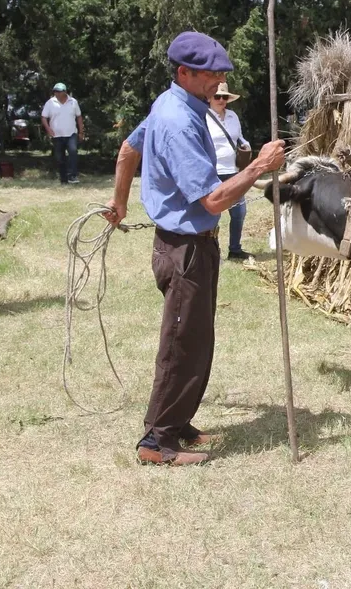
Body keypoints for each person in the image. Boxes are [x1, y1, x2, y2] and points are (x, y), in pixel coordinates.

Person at [103, 31, 285, 466]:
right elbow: (213, 200)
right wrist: (260, 166)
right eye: (211, 74)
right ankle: (157, 442)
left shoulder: (174, 105)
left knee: (197, 338)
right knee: (182, 342)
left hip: (192, 246)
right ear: (184, 72)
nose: (219, 82)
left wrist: (120, 200)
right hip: (184, 249)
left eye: (222, 73)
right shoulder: (179, 121)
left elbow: (128, 150)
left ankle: (179, 422)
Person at [206, 81, 253, 260]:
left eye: (224, 97)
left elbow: (239, 137)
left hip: (233, 170)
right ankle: (211, 251)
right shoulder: (203, 116)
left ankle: (235, 250)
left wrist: (245, 145)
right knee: (213, 214)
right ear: (210, 98)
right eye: (217, 96)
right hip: (212, 172)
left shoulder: (233, 116)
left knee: (239, 212)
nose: (221, 100)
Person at [41, 82, 85, 184]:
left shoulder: (73, 102)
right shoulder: (50, 103)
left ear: (65, 92)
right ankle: (64, 179)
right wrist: (48, 129)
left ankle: (72, 176)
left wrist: (81, 132)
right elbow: (44, 117)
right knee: (60, 158)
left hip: (71, 133)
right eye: (55, 91)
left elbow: (79, 117)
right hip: (56, 135)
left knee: (73, 151)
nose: (56, 93)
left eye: (59, 91)